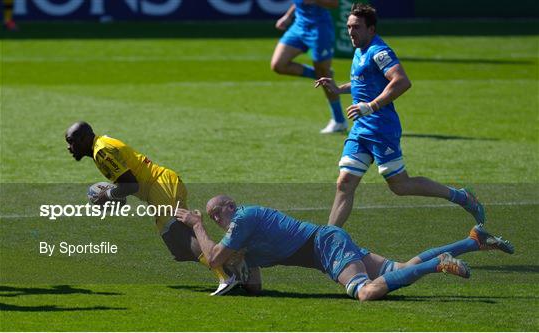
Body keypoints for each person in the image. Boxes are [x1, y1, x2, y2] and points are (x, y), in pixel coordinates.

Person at [315, 3, 485, 227]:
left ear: (371, 30)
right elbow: (362, 83)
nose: (350, 32)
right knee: (344, 182)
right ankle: (329, 238)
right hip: (361, 129)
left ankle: (462, 196)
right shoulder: (359, 50)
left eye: (356, 27)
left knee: (400, 186)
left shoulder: (379, 52)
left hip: (381, 128)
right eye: (348, 27)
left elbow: (402, 81)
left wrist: (372, 106)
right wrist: (339, 89)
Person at [175, 195, 514, 300]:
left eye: (215, 214)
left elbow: (214, 256)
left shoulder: (243, 219)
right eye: (212, 217)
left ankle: (437, 264)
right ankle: (471, 241)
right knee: (397, 270)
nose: (217, 220)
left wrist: (196, 225)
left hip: (325, 246)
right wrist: (243, 270)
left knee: (366, 293)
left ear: (228, 208)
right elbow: (256, 287)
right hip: (327, 243)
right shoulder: (245, 236)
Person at [64, 121, 237, 295]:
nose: (69, 147)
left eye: (72, 141)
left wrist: (107, 195)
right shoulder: (102, 144)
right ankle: (234, 264)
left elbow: (131, 185)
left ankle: (225, 276)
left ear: (85, 138)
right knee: (178, 247)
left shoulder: (102, 151)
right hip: (162, 186)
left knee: (178, 235)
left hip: (160, 186)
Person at [271, 0, 347, 134]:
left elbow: (334, 4)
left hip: (319, 29)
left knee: (323, 73)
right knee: (278, 65)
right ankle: (322, 75)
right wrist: (288, 16)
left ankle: (339, 121)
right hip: (299, 26)